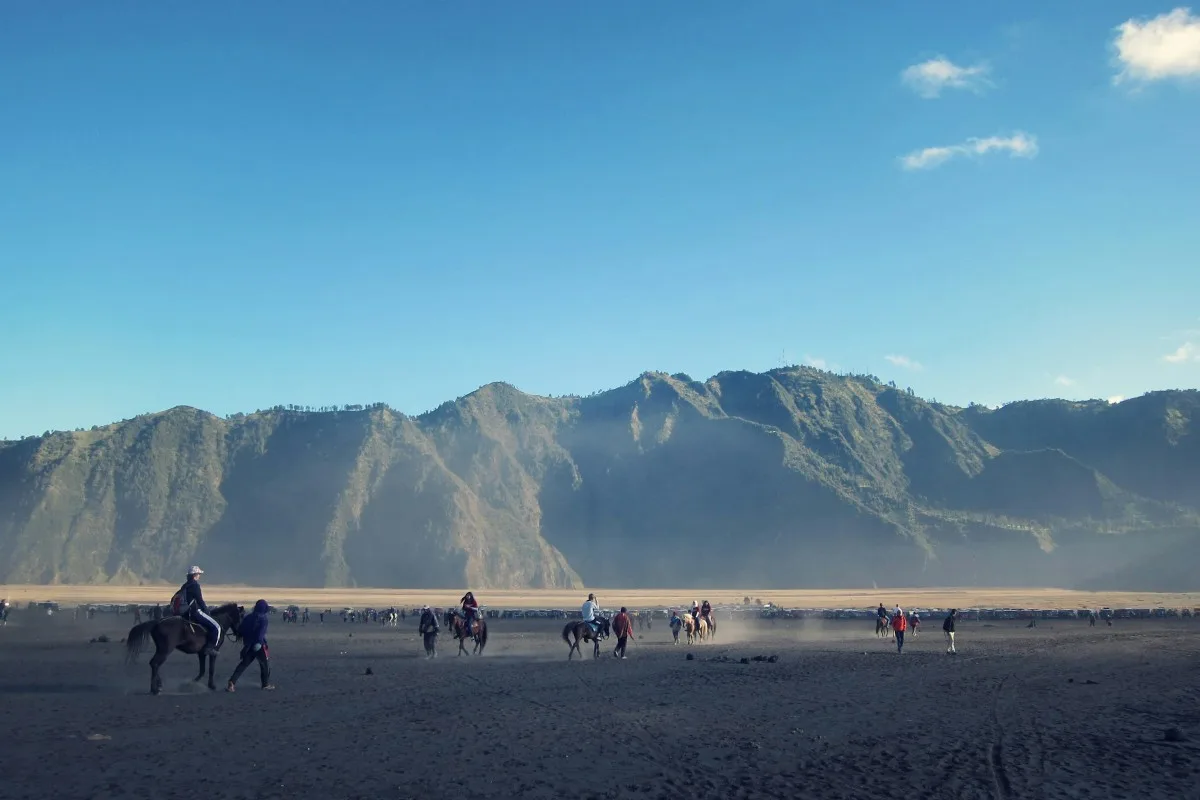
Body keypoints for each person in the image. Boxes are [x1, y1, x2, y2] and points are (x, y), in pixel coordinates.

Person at [226, 599, 274, 691]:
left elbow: (241, 630)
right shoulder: (263, 619)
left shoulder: (248, 617)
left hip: (248, 645)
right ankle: (265, 684)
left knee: (243, 664)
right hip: (259, 646)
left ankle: (232, 682)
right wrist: (259, 643)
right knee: (264, 665)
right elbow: (260, 633)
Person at [175, 566, 220, 657]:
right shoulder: (195, 585)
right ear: (195, 575)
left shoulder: (185, 585)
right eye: (199, 574)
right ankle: (210, 648)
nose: (199, 576)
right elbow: (200, 601)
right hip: (194, 612)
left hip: (185, 613)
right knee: (217, 627)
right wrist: (207, 612)